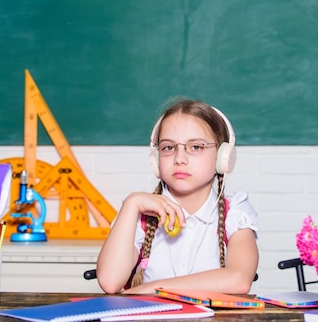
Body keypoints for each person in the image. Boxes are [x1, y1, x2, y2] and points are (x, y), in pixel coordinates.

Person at [96, 98, 258, 294]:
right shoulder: (138, 214)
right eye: (168, 148)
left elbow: (239, 280)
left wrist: (155, 288)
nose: (179, 159)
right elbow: (110, 282)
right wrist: (132, 203)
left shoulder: (236, 213)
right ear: (156, 159)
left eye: (196, 147)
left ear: (223, 157)